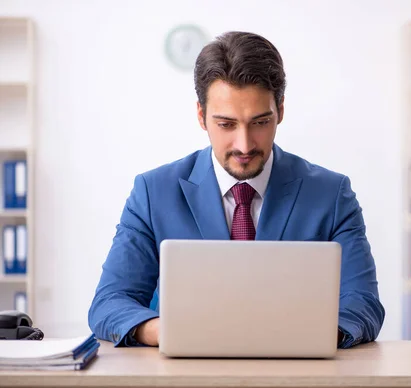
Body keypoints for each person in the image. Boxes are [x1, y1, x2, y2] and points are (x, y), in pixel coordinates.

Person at [88, 31, 385, 348]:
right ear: (202, 116)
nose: (244, 145)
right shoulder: (152, 193)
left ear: (280, 112)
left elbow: (363, 304)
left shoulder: (331, 194)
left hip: (296, 377)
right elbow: (109, 304)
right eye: (226, 124)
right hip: (184, 379)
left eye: (259, 122)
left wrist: (306, 335)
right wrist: (170, 332)